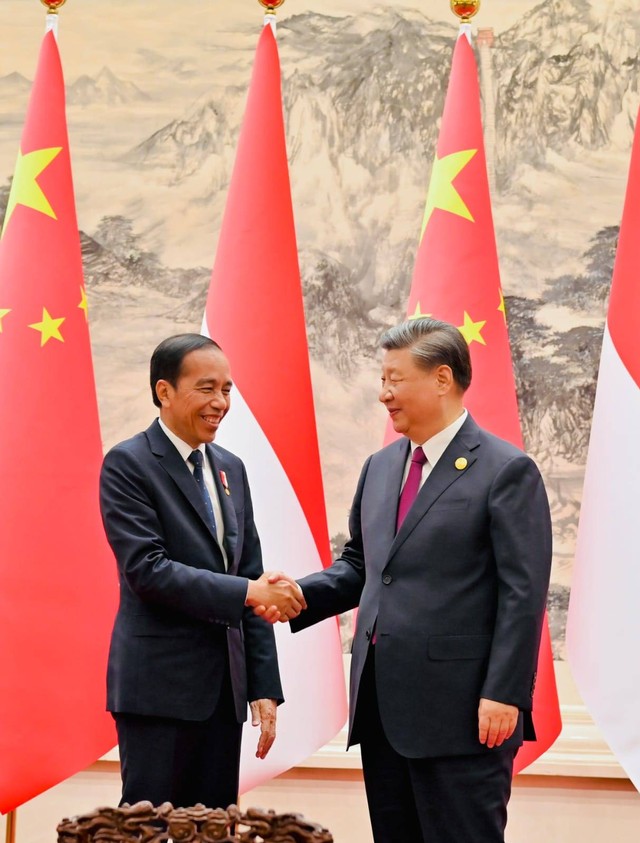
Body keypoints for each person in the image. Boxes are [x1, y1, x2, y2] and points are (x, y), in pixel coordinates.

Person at [286, 317, 553, 843]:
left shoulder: (505, 470)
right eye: (381, 380)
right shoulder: (381, 467)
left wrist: (505, 693)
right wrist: (297, 595)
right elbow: (364, 567)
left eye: (394, 378)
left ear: (442, 379)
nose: (383, 393)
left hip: (465, 715)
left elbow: (523, 594)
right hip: (383, 711)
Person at [99, 333, 304, 810]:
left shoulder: (231, 468)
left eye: (227, 390)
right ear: (164, 391)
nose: (220, 403)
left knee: (215, 828)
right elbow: (147, 572)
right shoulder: (128, 464)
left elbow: (250, 576)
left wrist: (264, 687)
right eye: (207, 388)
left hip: (222, 697)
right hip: (157, 692)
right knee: (147, 831)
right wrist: (251, 591)